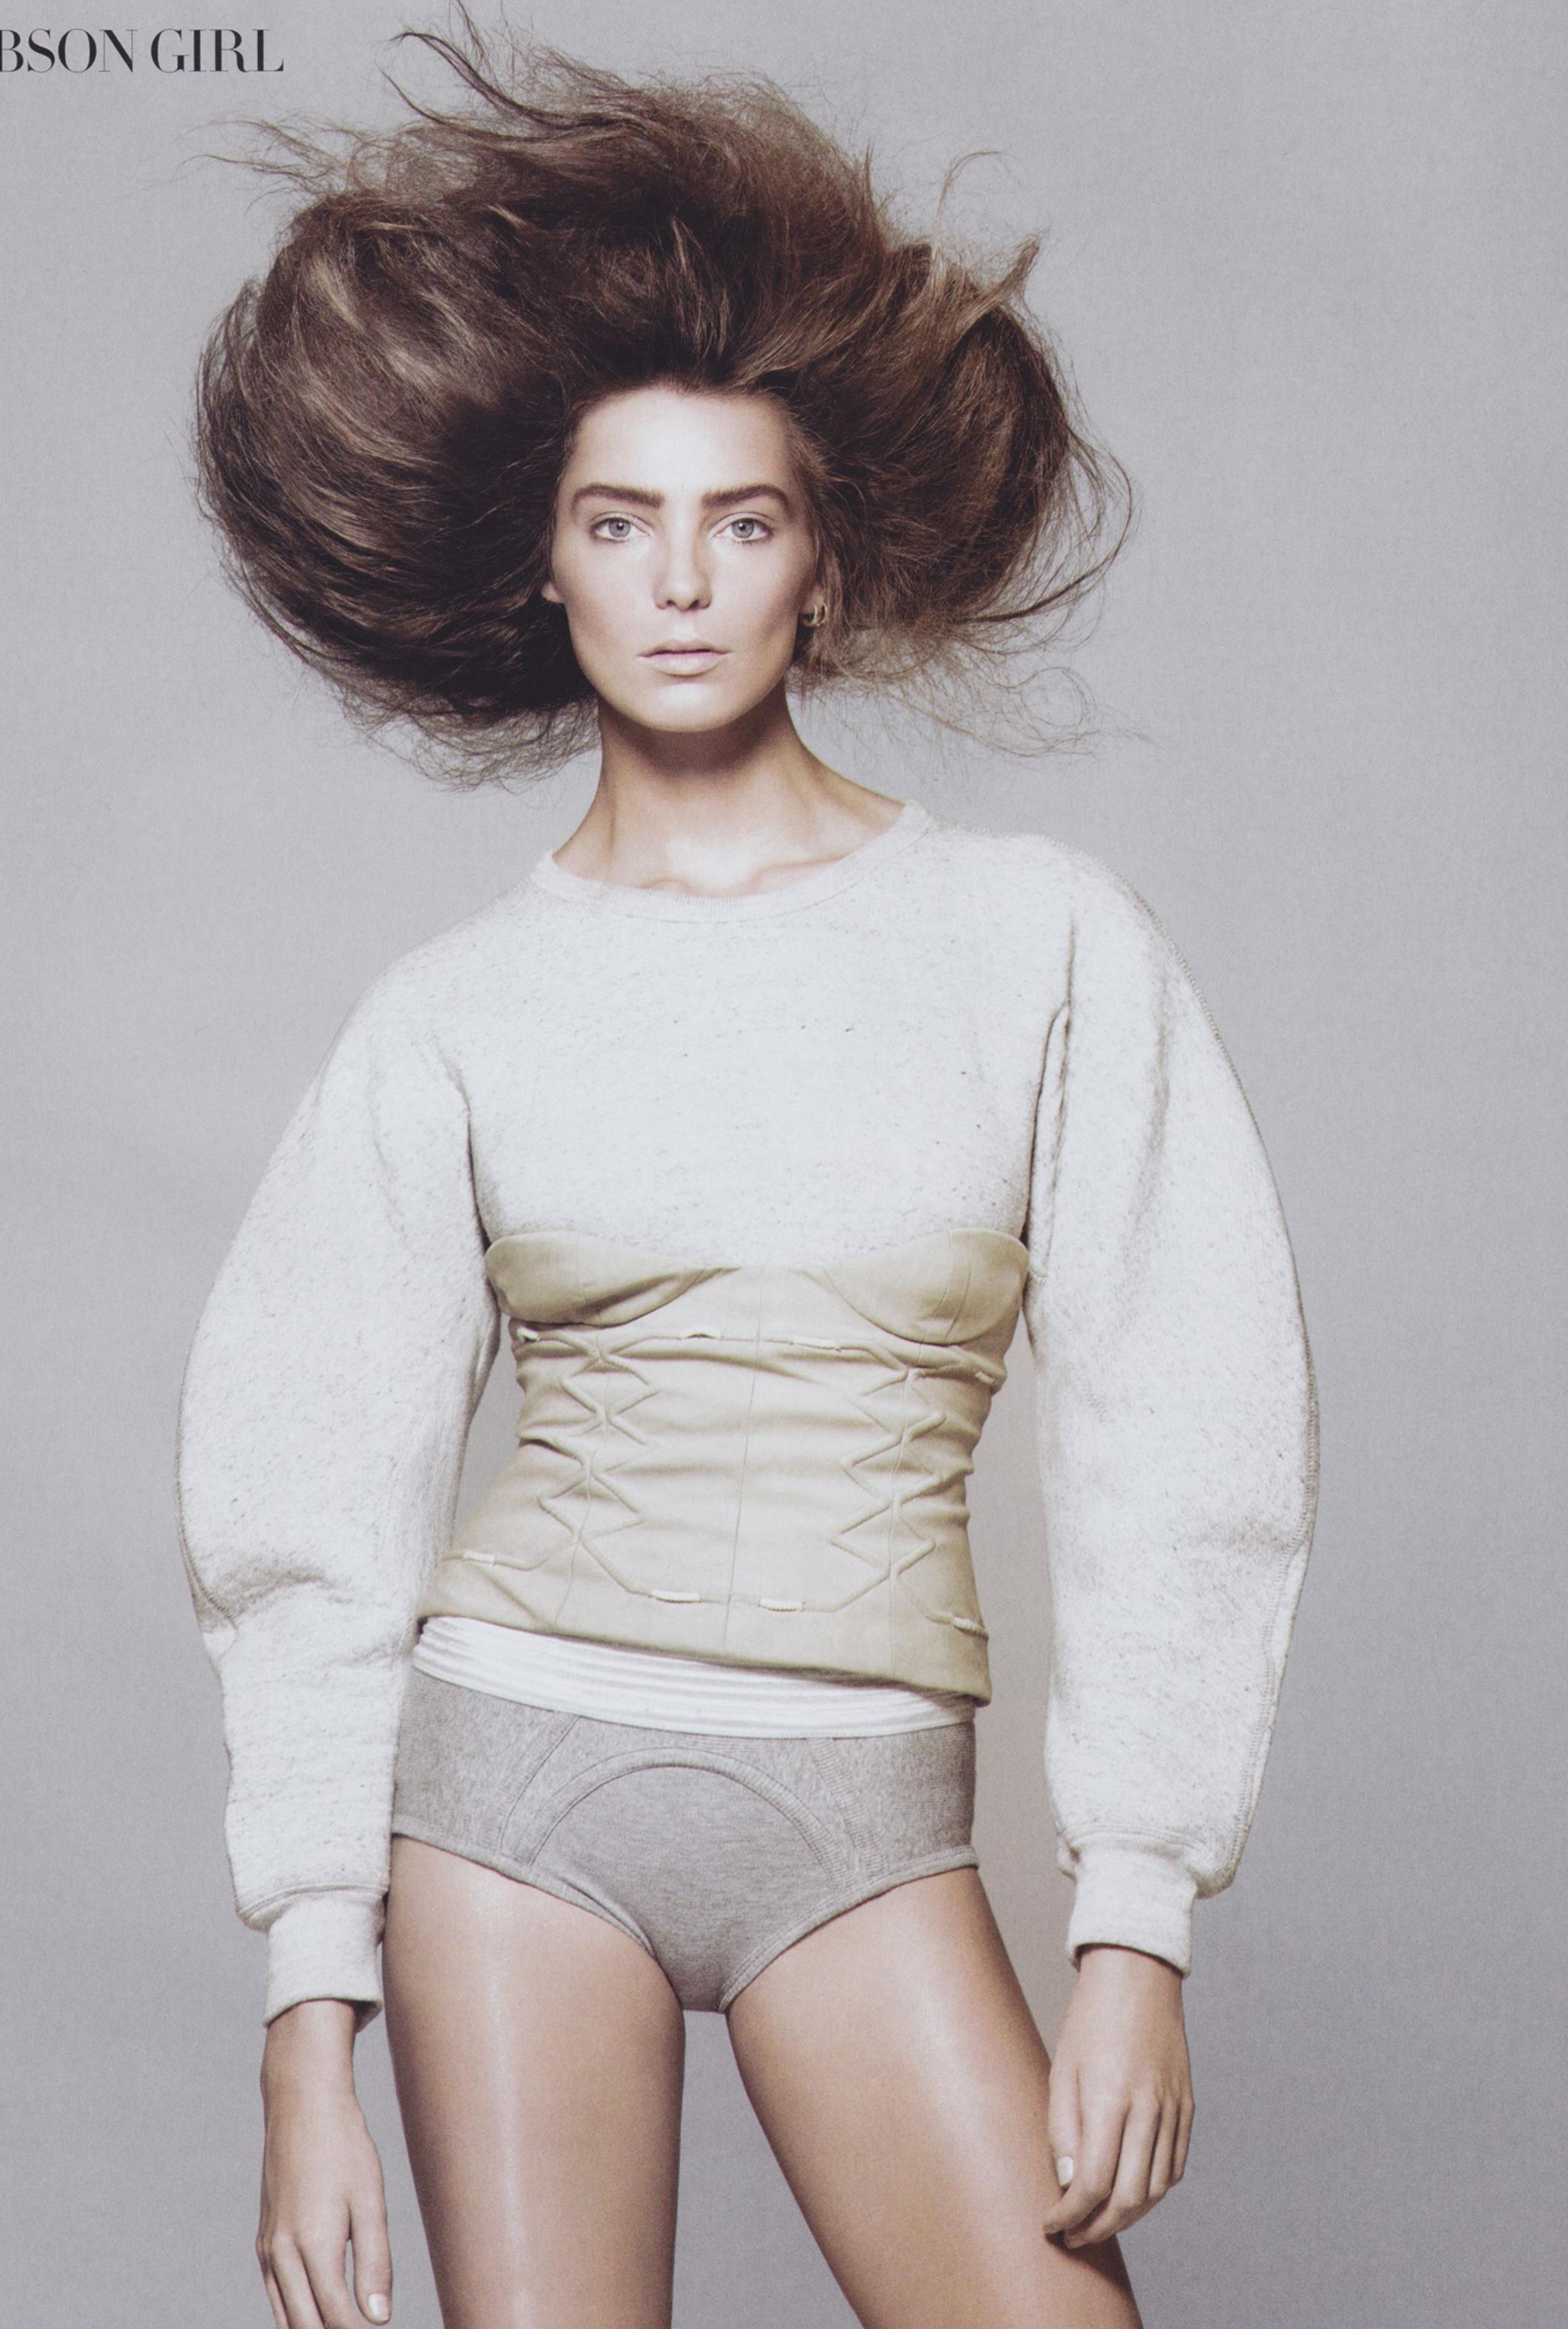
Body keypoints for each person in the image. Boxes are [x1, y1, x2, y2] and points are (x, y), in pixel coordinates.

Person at [178, 28, 1318, 2329]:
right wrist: (308, 2029)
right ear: (545, 569)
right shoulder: (455, 1009)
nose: (681, 581)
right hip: (511, 1803)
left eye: (744, 520)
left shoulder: (1038, 941)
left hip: (867, 1817)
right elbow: (309, 1496)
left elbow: (1190, 1424)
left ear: (829, 562)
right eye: (621, 523)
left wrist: (1137, 1927)